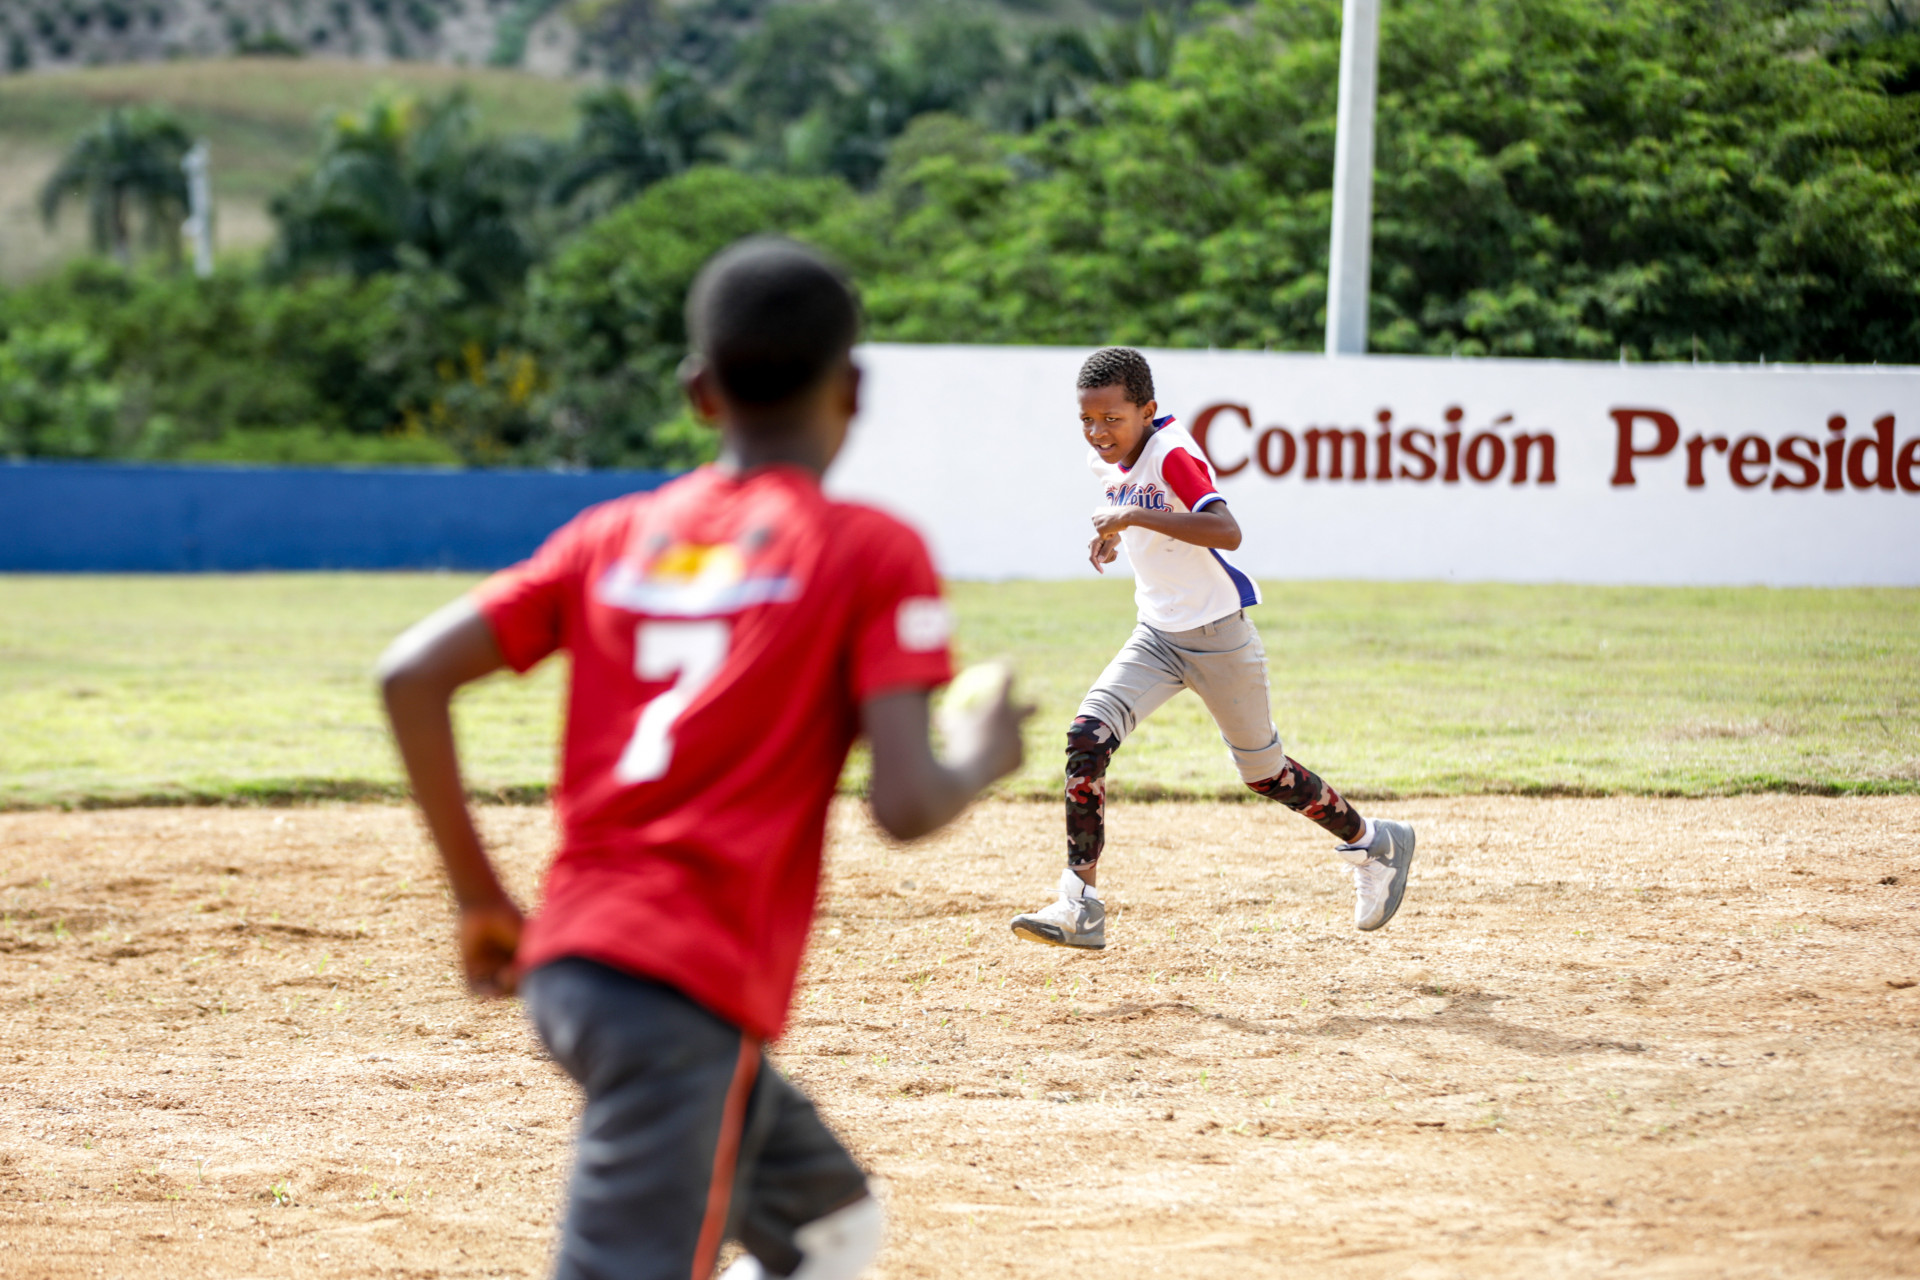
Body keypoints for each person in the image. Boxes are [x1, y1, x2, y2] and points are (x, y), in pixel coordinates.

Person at [378, 237, 1026, 1280]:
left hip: (586, 965)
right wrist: (983, 754)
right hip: (675, 989)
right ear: (853, 388)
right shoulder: (868, 548)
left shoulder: (612, 535)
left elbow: (410, 674)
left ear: (697, 392)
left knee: (829, 1229)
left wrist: (479, 899)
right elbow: (906, 803)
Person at [1009, 346, 1414, 950]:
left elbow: (1226, 530)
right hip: (1155, 636)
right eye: (1087, 420)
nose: (1098, 433)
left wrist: (1132, 519)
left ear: (1148, 410)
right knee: (1086, 739)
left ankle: (1374, 844)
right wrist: (1118, 533)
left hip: (1219, 638)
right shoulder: (1111, 459)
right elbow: (1137, 507)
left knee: (1267, 775)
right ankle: (1080, 904)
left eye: (1112, 419)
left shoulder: (1173, 453)